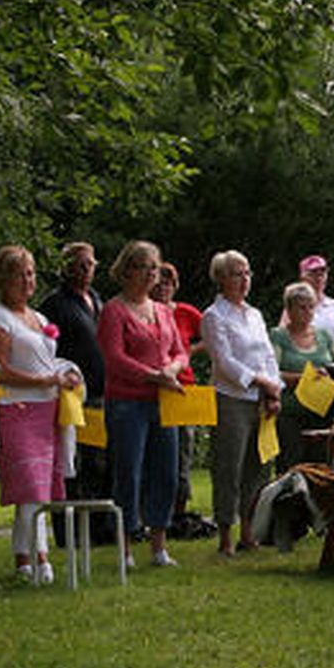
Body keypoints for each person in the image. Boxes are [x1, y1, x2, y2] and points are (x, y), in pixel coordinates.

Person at [0, 245, 80, 584]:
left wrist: (65, 375)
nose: (26, 281)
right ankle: (32, 558)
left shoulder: (39, 318)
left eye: (30, 273)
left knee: (44, 487)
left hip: (47, 409)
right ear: (3, 279)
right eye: (19, 274)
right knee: (29, 486)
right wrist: (44, 379)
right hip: (16, 408)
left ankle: (32, 557)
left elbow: (48, 361)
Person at [99, 240, 188, 569]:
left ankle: (159, 546)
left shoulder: (164, 311)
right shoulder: (114, 310)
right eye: (144, 266)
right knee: (129, 473)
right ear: (126, 271)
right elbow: (114, 358)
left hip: (163, 401)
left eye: (155, 267)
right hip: (127, 403)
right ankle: (124, 547)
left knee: (165, 472)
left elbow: (181, 350)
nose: (151, 273)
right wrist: (153, 375)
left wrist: (172, 370)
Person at [201, 250, 283, 557]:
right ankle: (225, 533)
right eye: (237, 273)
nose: (244, 279)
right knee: (228, 468)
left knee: (258, 467)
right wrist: (260, 382)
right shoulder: (214, 316)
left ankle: (249, 531)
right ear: (221, 278)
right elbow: (224, 362)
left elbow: (267, 356)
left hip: (260, 400)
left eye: (247, 272)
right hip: (231, 399)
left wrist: (274, 391)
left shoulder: (255, 314)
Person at [40, 243, 109, 510]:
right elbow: (46, 349)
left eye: (90, 264)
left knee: (98, 462)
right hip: (73, 395)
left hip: (101, 393)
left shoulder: (97, 299)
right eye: (80, 264)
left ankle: (97, 523)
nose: (86, 270)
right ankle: (71, 525)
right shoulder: (55, 304)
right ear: (66, 267)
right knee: (75, 462)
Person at [271, 281, 334, 472]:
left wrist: (330, 373)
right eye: (302, 307)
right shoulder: (278, 336)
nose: (308, 312)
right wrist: (304, 377)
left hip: (322, 413)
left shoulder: (324, 336)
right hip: (290, 414)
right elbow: (271, 372)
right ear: (289, 309)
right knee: (291, 466)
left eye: (311, 307)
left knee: (322, 467)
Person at [151, 260, 203, 517]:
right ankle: (153, 509)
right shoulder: (144, 312)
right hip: (155, 386)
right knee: (158, 452)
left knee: (184, 450)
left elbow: (212, 334)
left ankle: (179, 510)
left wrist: (189, 351)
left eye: (168, 283)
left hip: (185, 386)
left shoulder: (185, 312)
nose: (163, 288)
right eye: (159, 283)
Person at [297, 254, 334, 359]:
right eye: (313, 273)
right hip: (310, 369)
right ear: (303, 277)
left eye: (322, 273)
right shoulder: (295, 306)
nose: (319, 277)